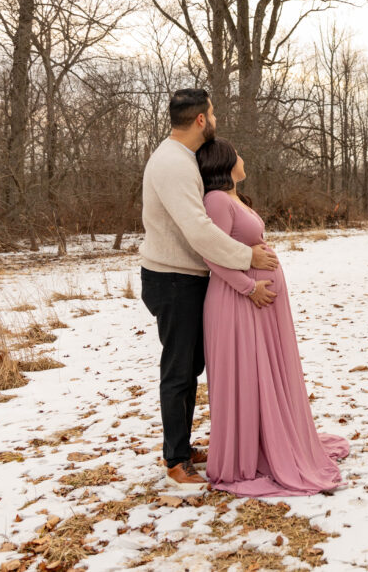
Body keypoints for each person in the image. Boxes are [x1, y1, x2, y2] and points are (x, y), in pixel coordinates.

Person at [138, 89, 280, 491]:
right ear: (201, 120)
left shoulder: (181, 160)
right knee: (179, 368)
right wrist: (246, 258)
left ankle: (182, 446)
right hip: (172, 279)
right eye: (213, 113)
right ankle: (176, 459)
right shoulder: (171, 163)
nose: (216, 119)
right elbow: (198, 229)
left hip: (187, 278)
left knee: (192, 366)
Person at [196, 137, 349, 497]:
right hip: (239, 302)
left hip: (259, 304)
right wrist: (249, 287)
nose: (243, 157)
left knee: (265, 373)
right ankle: (247, 454)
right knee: (248, 374)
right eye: (238, 153)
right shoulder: (216, 200)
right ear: (225, 162)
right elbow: (212, 255)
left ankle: (274, 437)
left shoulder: (233, 199)